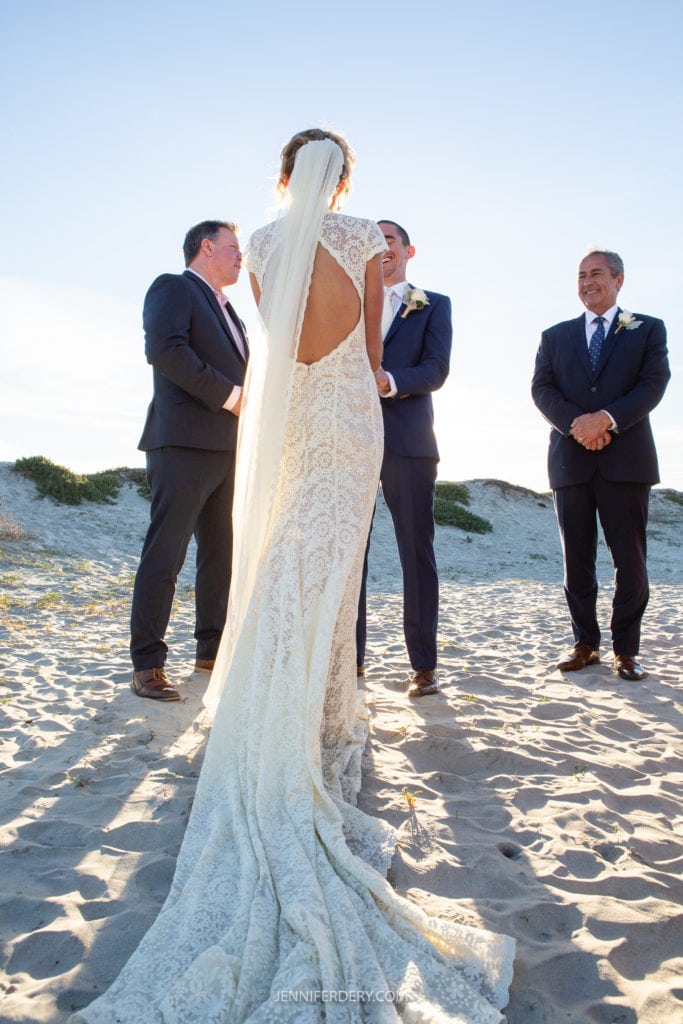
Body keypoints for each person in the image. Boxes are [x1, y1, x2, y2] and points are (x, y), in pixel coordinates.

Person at [70, 130, 513, 1022]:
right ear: (345, 180)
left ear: (282, 175)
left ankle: (280, 708)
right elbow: (369, 340)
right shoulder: (362, 244)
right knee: (332, 568)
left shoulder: (263, 246)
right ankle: (318, 714)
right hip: (351, 414)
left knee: (284, 566)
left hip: (298, 419)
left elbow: (278, 348)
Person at [532, 248, 670, 681]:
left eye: (595, 273)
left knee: (630, 561)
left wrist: (606, 420)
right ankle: (585, 644)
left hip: (626, 460)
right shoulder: (555, 336)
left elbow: (653, 384)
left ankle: (626, 651)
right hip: (570, 461)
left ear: (618, 279)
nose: (587, 281)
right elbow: (542, 388)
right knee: (577, 561)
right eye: (580, 275)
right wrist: (578, 425)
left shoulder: (647, 329)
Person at [129, 220, 248, 701]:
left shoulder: (231, 311)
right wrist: (231, 397)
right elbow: (165, 350)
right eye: (234, 248)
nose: (241, 257)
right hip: (181, 442)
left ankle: (211, 651)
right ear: (206, 247)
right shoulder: (173, 287)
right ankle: (148, 665)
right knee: (167, 553)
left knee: (220, 556)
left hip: (228, 448)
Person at [357, 220, 452, 697]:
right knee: (351, 554)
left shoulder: (434, 305)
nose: (381, 248)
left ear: (408, 250)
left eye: (388, 239)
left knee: (416, 553)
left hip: (409, 441)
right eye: (372, 241)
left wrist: (388, 381)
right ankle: (350, 664)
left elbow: (436, 369)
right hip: (349, 440)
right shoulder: (348, 301)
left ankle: (423, 666)